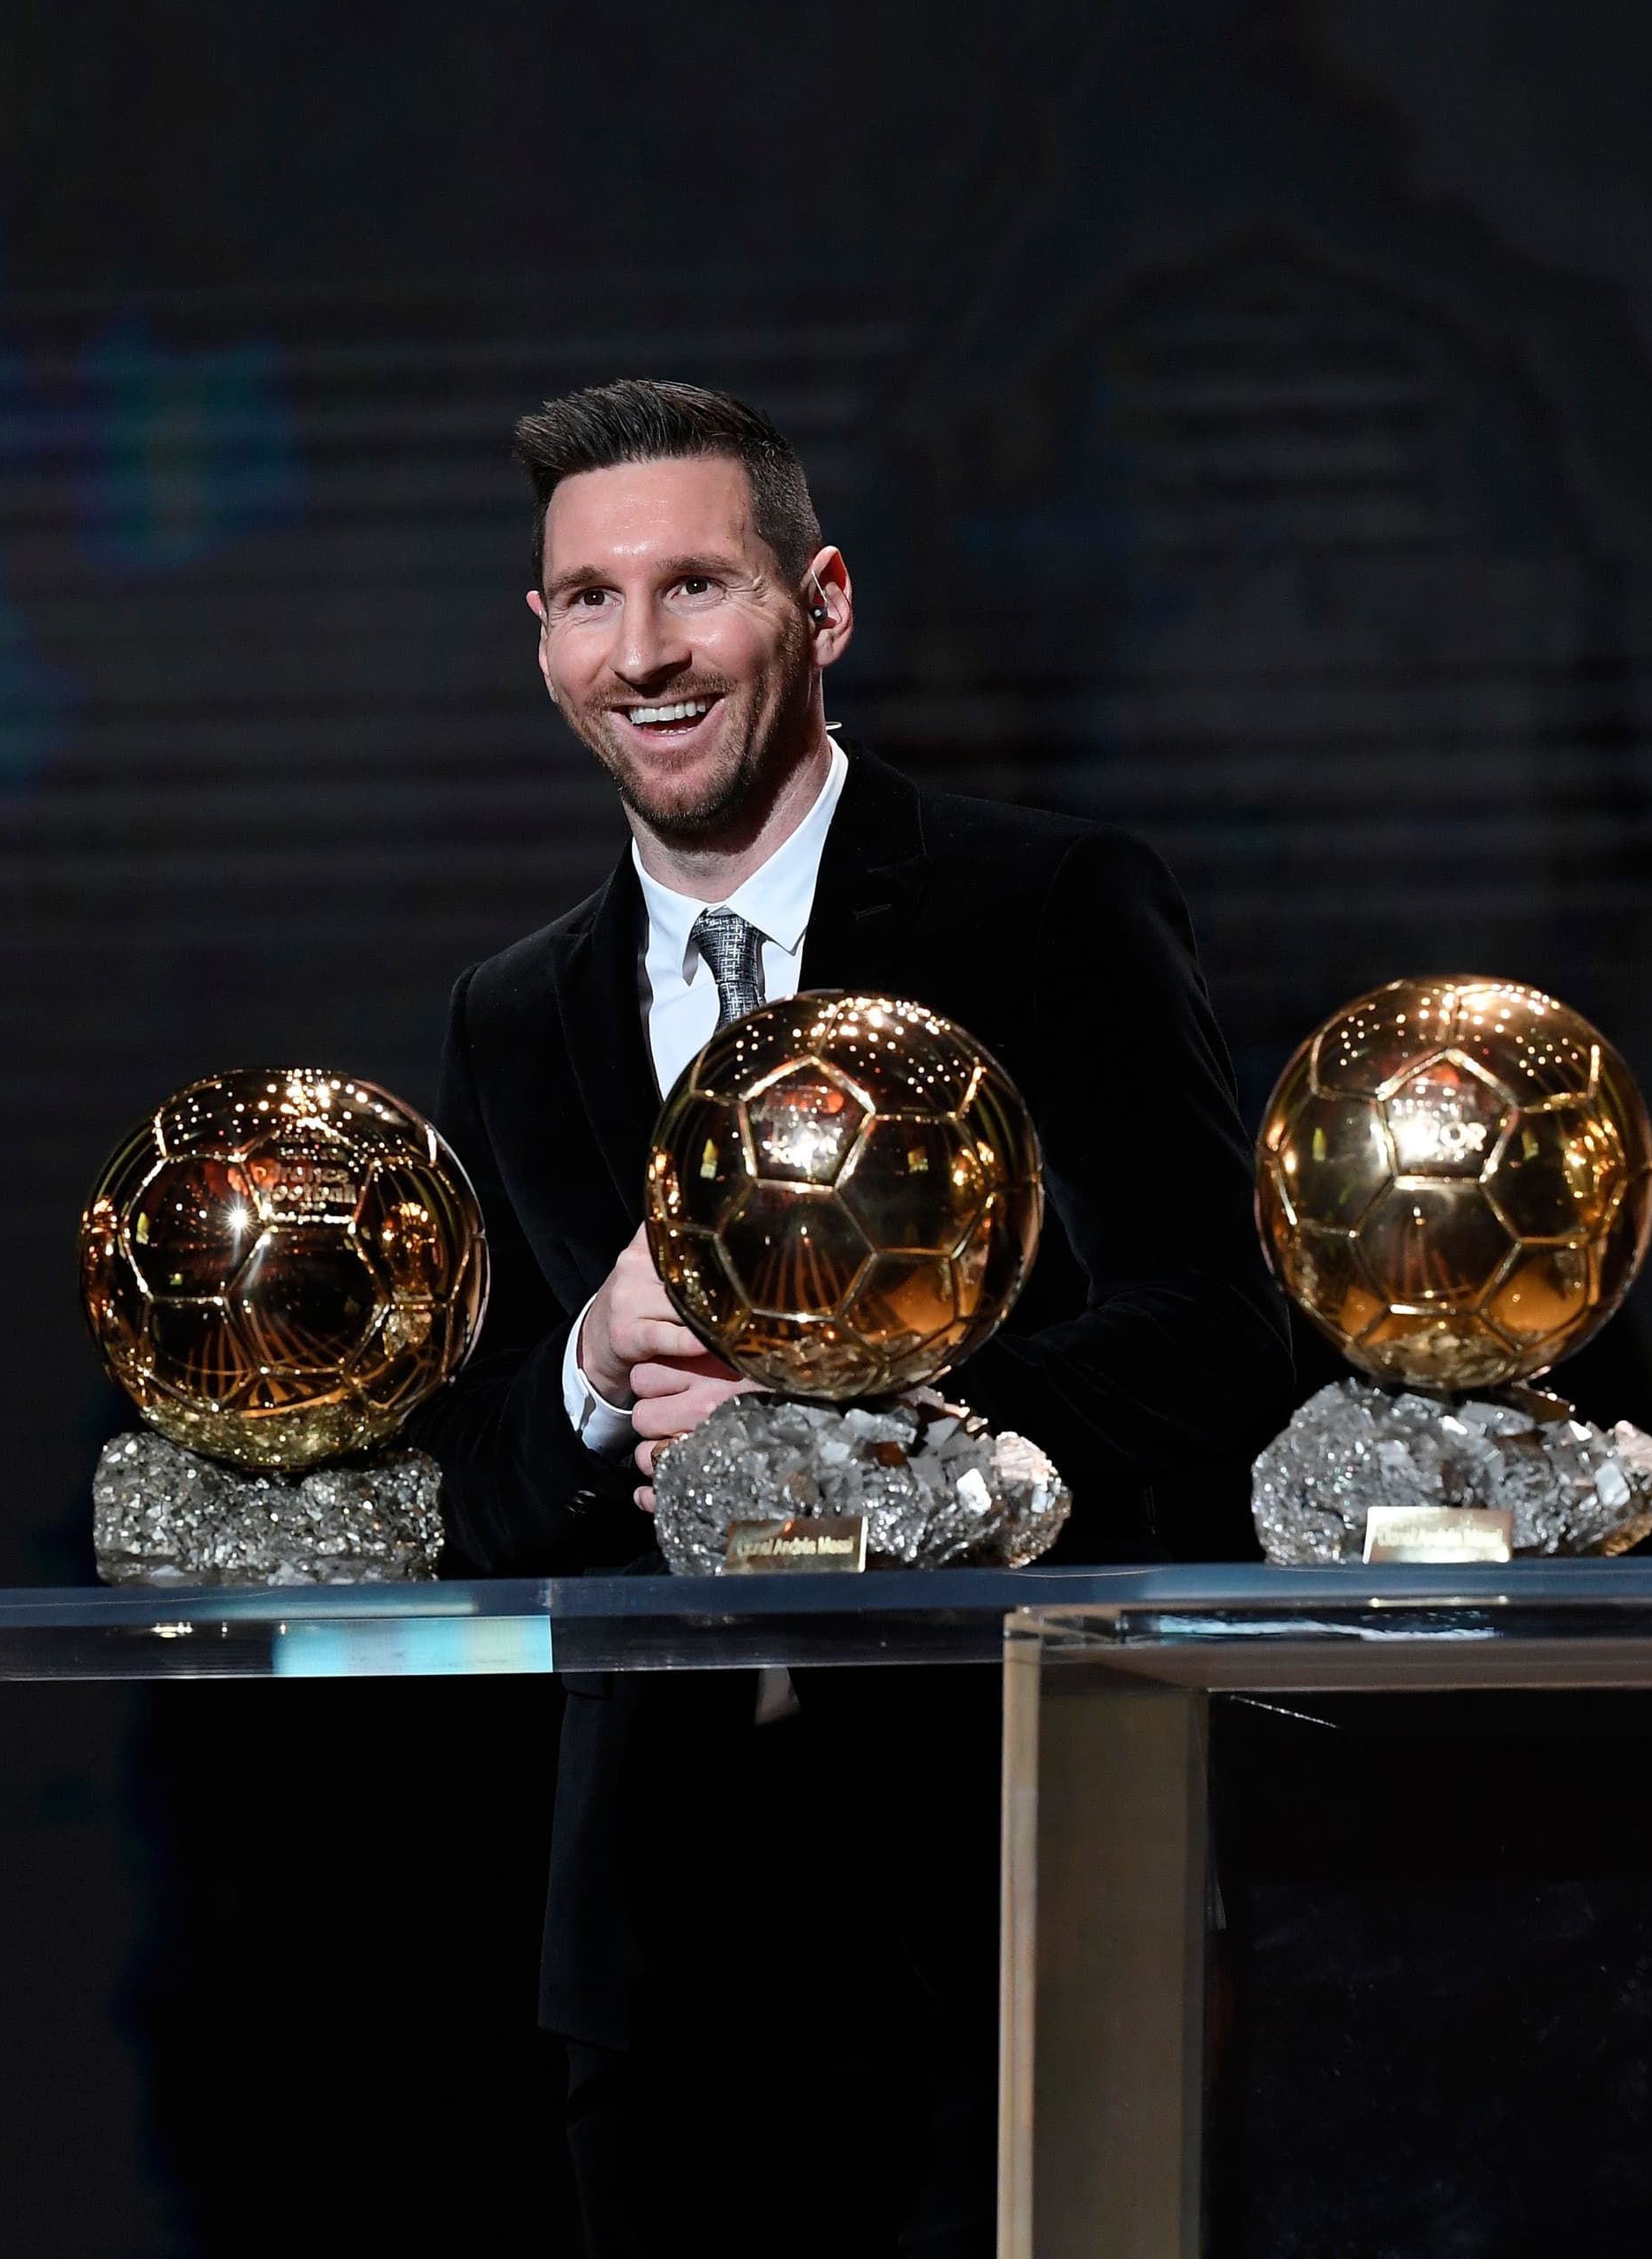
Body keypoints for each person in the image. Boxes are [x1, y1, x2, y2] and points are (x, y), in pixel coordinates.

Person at [408, 379, 1293, 2255]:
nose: (641, 654)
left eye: (694, 589)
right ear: (541, 635)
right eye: (586, 599)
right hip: (659, 1943)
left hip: (1023, 1880)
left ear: (822, 605)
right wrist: (593, 1361)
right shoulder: (511, 1012)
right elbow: (472, 1483)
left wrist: (864, 1422)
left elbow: (1223, 1322)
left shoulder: (1048, 904)